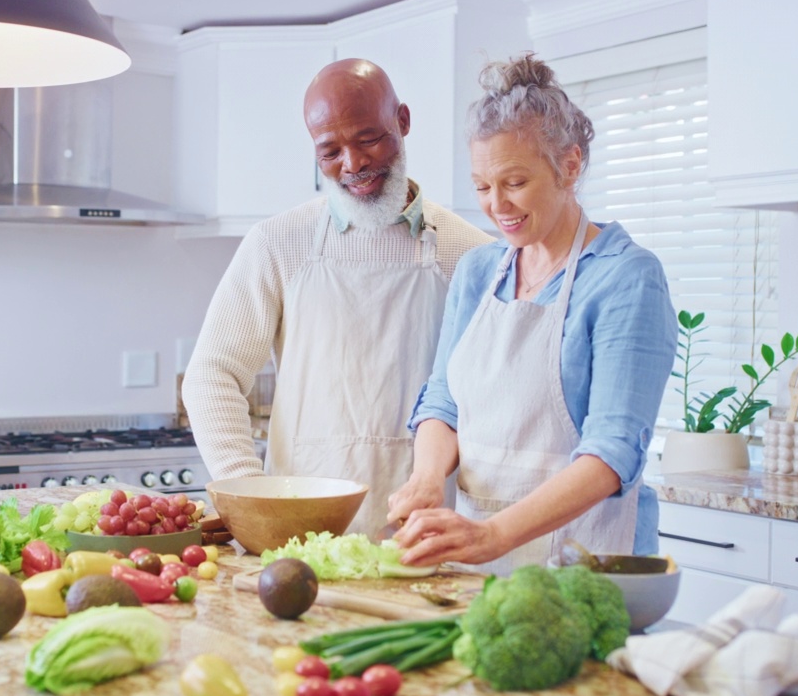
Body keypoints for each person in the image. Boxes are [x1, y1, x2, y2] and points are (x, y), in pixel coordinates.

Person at [386, 54, 676, 575]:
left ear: (569, 164)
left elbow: (612, 454)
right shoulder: (479, 271)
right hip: (478, 565)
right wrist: (428, 478)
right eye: (481, 186)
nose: (496, 205)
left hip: (585, 567)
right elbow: (444, 401)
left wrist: (495, 535)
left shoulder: (625, 278)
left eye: (514, 182)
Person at [182, 59, 492, 535]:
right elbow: (211, 374)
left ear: (403, 121)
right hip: (296, 532)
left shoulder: (470, 253)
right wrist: (247, 492)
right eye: (329, 150)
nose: (353, 164)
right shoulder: (279, 242)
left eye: (368, 139)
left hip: (427, 530)